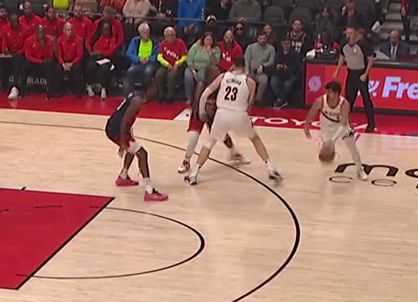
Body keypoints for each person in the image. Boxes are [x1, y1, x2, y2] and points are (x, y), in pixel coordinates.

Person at [185, 55, 282, 185]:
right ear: (245, 65)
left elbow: (204, 94)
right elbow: (250, 104)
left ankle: (194, 173)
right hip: (239, 114)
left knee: (208, 144)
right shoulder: (250, 82)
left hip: (221, 114)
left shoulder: (223, 76)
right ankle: (270, 167)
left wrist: (202, 111)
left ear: (233, 64)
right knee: (255, 139)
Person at [105, 78, 169, 201]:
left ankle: (123, 176)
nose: (156, 90)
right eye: (155, 87)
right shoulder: (137, 100)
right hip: (116, 128)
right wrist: (123, 142)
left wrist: (126, 138)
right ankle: (149, 191)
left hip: (115, 126)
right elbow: (124, 120)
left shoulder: (136, 95)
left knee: (133, 148)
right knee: (142, 154)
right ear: (149, 88)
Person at [302, 81, 367, 180]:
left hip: (341, 128)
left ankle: (360, 169)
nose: (327, 93)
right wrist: (306, 126)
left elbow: (343, 123)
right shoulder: (321, 100)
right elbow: (311, 113)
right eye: (327, 91)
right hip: (327, 129)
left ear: (336, 93)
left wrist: (333, 140)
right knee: (326, 152)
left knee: (353, 149)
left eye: (330, 91)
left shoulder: (344, 103)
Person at [333, 27, 376, 132]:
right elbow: (342, 56)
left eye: (351, 33)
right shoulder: (344, 44)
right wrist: (337, 70)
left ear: (356, 33)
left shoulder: (363, 45)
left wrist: (365, 74)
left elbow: (371, 59)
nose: (349, 35)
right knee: (348, 99)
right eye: (347, 33)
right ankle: (345, 121)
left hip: (361, 73)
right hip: (351, 73)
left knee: (366, 99)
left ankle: (371, 123)